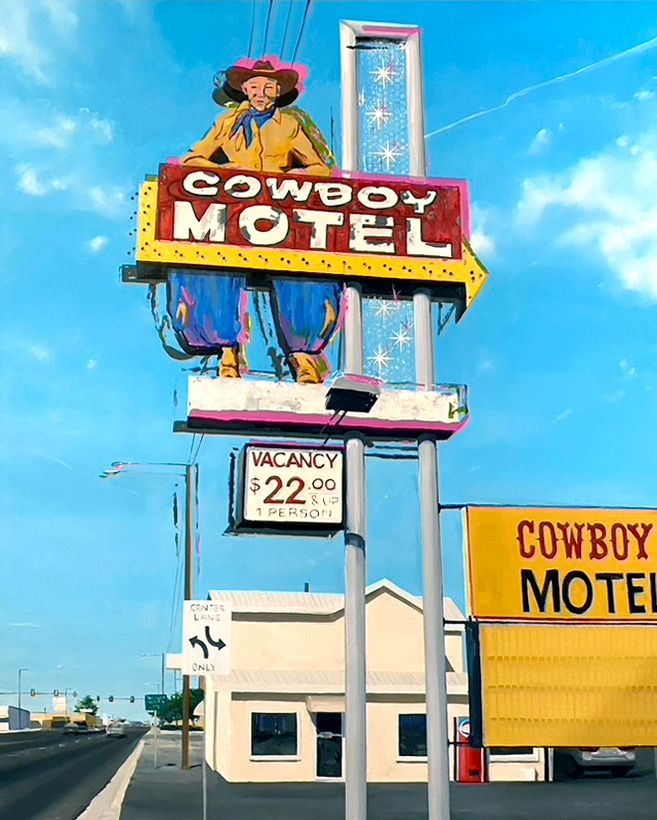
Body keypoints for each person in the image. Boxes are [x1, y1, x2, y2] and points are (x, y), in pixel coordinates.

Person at [167, 59, 342, 384]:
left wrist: (290, 175)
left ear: (278, 91)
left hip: (281, 213)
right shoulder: (228, 122)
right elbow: (193, 158)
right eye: (255, 87)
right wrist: (226, 171)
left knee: (305, 271)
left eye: (268, 88)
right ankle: (227, 351)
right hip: (236, 209)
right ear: (244, 90)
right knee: (210, 264)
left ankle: (303, 356)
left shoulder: (289, 125)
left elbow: (320, 168)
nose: (261, 94)